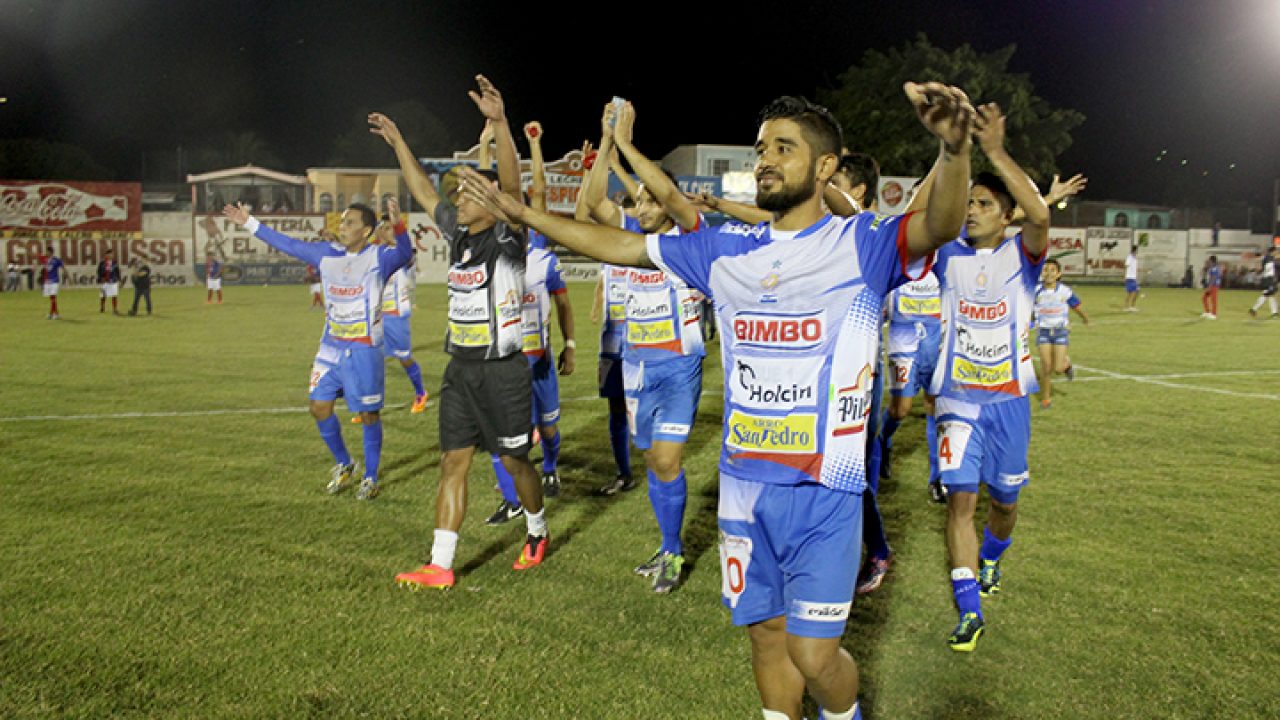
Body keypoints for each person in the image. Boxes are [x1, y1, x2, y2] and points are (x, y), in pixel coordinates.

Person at [457, 82, 974, 720]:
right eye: (761, 149)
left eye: (783, 148)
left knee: (815, 657)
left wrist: (954, 148)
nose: (765, 160)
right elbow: (618, 245)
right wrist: (524, 213)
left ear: (825, 167)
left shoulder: (860, 244)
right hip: (743, 489)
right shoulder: (724, 249)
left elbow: (938, 223)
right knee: (766, 636)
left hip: (826, 491)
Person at [374, 75, 550, 590]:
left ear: (492, 201)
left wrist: (501, 123)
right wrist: (399, 143)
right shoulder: (458, 234)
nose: (459, 199)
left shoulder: (508, 236)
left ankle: (537, 529)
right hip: (460, 371)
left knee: (515, 461)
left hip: (504, 372)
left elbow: (513, 188)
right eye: (460, 192)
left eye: (471, 192)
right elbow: (424, 192)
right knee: (453, 461)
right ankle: (441, 564)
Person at [928, 102, 1050, 653]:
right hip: (958, 401)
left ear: (1005, 217)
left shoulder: (1022, 258)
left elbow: (1040, 216)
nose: (972, 210)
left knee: (1004, 503)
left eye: (984, 204)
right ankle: (969, 610)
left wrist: (995, 151)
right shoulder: (945, 254)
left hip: (1009, 402)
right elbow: (926, 213)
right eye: (970, 202)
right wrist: (951, 148)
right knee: (961, 503)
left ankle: (994, 556)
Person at [577, 99, 707, 594]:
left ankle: (673, 552)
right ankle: (665, 543)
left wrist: (627, 145)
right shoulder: (630, 234)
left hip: (678, 370)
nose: (645, 208)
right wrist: (605, 141)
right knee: (653, 460)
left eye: (653, 200)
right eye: (640, 201)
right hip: (636, 369)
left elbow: (671, 197)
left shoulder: (690, 237)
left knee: (668, 460)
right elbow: (593, 203)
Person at [222, 195, 412, 501]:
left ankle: (371, 476)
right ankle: (345, 462)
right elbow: (287, 244)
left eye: (350, 222)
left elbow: (404, 253)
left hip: (364, 348)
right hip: (331, 347)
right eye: (342, 221)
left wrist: (399, 225)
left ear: (366, 231)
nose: (343, 226)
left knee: (368, 414)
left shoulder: (379, 257)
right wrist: (249, 223)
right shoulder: (326, 254)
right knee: (318, 407)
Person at [487, 119, 577, 522]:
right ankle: (512, 500)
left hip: (539, 361)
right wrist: (487, 146)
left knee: (549, 428)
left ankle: (551, 466)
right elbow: (483, 186)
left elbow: (564, 306)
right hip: (505, 361)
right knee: (503, 434)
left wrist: (534, 145)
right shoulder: (493, 250)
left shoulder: (543, 256)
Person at [1033, 258, 1089, 408]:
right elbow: (1031, 310)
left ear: (1059, 274)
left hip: (1060, 332)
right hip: (1043, 332)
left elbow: (1076, 305)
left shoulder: (1065, 291)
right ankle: (1046, 399)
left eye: (1052, 270)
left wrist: (1084, 318)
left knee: (1057, 369)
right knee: (1046, 367)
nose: (1049, 273)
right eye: (1045, 270)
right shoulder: (1035, 291)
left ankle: (1066, 365)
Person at [1248, 247, 1277, 318]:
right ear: (1273, 251)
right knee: (1267, 295)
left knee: (1270, 295)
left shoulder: (1268, 258)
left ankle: (1274, 313)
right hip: (1268, 279)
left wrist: (1255, 270)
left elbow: (1262, 267)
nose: (1276, 253)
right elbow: (1267, 269)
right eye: (1276, 251)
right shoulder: (1269, 258)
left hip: (1267, 279)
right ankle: (1254, 309)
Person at [41, 244, 65, 319]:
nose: (46, 253)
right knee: (51, 298)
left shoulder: (56, 260)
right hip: (47, 281)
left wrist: (68, 277)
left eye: (47, 252)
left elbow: (63, 267)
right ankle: (55, 313)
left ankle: (52, 314)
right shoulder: (45, 259)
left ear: (51, 252)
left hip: (54, 280)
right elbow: (35, 255)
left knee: (53, 297)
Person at [97, 248, 122, 315]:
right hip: (105, 281)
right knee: (103, 295)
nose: (111, 255)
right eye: (110, 254)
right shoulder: (102, 263)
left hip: (113, 281)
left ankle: (114, 309)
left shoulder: (114, 263)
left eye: (112, 254)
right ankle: (102, 307)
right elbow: (99, 271)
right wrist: (100, 278)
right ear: (106, 255)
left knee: (114, 295)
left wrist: (119, 280)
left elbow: (117, 272)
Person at [1201, 255, 1222, 319]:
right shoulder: (1212, 267)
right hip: (1211, 285)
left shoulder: (1215, 268)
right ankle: (1207, 312)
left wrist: (1209, 286)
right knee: (1204, 297)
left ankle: (1214, 314)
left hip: (1214, 286)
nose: (1208, 261)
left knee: (1213, 300)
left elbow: (1214, 277)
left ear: (1212, 261)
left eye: (1209, 260)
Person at [1123, 244, 1140, 311]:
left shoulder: (1134, 258)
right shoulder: (1129, 257)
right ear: (1134, 250)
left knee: (1131, 292)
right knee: (1135, 291)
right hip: (1130, 277)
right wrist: (1125, 276)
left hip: (1133, 278)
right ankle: (1130, 306)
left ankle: (1128, 307)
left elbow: (1134, 268)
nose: (1137, 252)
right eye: (1137, 250)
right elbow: (1126, 266)